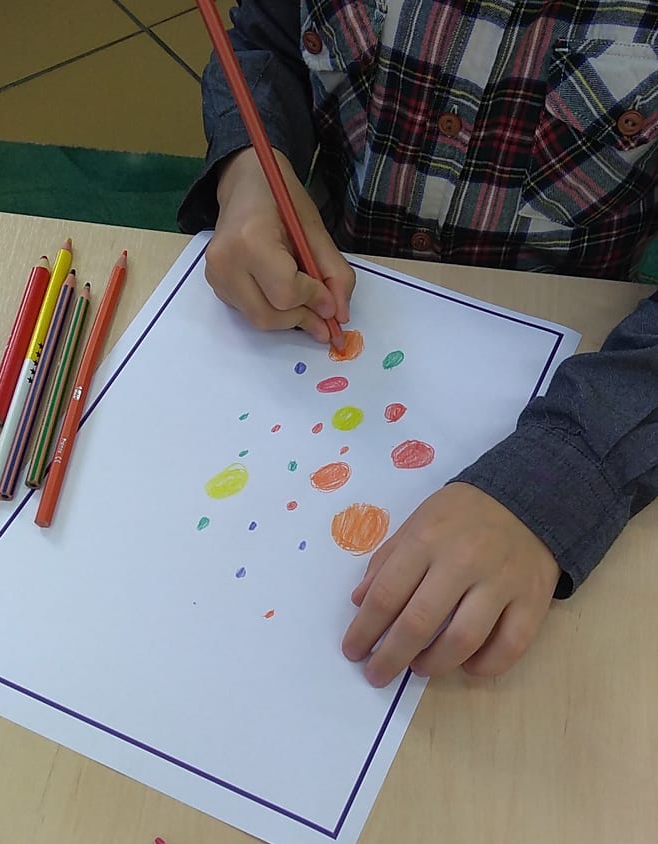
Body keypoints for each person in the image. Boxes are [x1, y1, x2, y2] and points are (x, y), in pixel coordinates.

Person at [179, 1, 658, 687]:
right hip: (336, 281)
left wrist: (561, 477)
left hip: (579, 351)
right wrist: (252, 169)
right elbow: (265, 41)